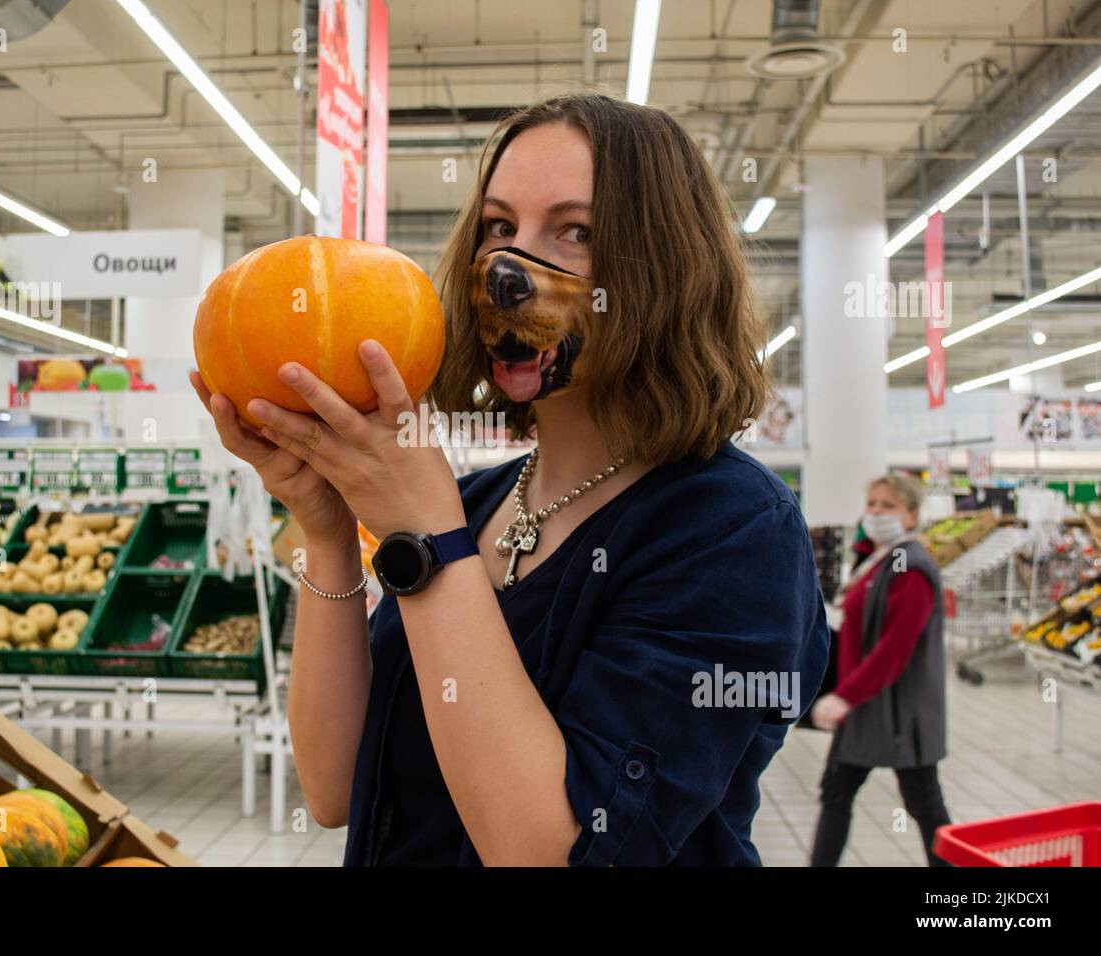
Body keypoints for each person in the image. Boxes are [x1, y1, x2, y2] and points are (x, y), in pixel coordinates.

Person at [193, 91, 828, 866]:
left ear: (664, 269)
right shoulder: (472, 504)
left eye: (576, 231)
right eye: (499, 227)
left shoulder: (731, 531)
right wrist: (326, 527)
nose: (509, 265)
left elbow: (546, 852)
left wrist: (427, 542)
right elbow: (333, 787)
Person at [809, 474, 952, 867]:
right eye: (871, 503)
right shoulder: (877, 560)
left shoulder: (912, 568)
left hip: (901, 711)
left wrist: (844, 697)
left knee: (924, 803)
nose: (875, 512)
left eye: (888, 505)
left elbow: (895, 649)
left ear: (911, 515)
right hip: (865, 708)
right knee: (836, 793)